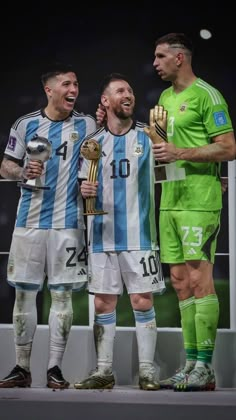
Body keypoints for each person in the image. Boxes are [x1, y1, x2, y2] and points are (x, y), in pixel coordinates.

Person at [0, 62, 97, 389]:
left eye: (76, 84)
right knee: (24, 295)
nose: (74, 90)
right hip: (28, 222)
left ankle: (55, 368)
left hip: (69, 224)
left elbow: (99, 160)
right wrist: (22, 171)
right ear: (49, 89)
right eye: (67, 84)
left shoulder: (86, 125)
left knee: (62, 295)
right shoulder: (25, 125)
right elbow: (6, 165)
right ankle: (22, 368)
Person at [148, 32, 235, 391]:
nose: (154, 63)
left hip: (200, 202)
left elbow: (228, 148)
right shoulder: (166, 98)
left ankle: (206, 366)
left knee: (201, 282)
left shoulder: (208, 95)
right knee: (181, 285)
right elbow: (165, 152)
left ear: (179, 58)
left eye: (160, 56)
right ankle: (190, 364)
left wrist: (180, 153)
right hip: (170, 199)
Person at [74, 73, 165, 391]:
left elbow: (171, 172)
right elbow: (83, 187)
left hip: (140, 236)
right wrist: (83, 189)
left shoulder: (149, 136)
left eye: (130, 90)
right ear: (105, 101)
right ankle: (104, 371)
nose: (128, 94)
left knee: (142, 300)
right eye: (120, 91)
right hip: (101, 236)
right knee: (102, 304)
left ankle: (147, 371)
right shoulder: (92, 144)